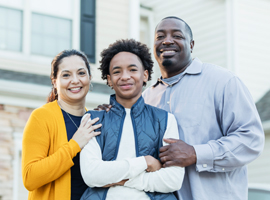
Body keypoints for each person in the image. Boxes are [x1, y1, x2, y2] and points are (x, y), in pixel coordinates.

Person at [97, 17, 265, 200]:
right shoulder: (146, 99)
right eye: (160, 36)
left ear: (191, 45)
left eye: (177, 35)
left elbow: (251, 139)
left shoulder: (223, 82)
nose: (167, 40)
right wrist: (114, 115)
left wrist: (196, 153)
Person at [79, 39, 184, 200]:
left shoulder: (165, 120)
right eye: (117, 72)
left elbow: (173, 180)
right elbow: (91, 175)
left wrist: (120, 180)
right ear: (109, 79)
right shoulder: (92, 119)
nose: (125, 77)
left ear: (145, 75)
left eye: (132, 69)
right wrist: (145, 162)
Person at [22, 49, 102, 200]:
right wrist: (74, 145)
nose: (75, 80)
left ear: (90, 78)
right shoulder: (42, 117)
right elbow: (30, 177)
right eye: (66, 75)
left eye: (81, 73)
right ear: (54, 81)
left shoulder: (94, 121)